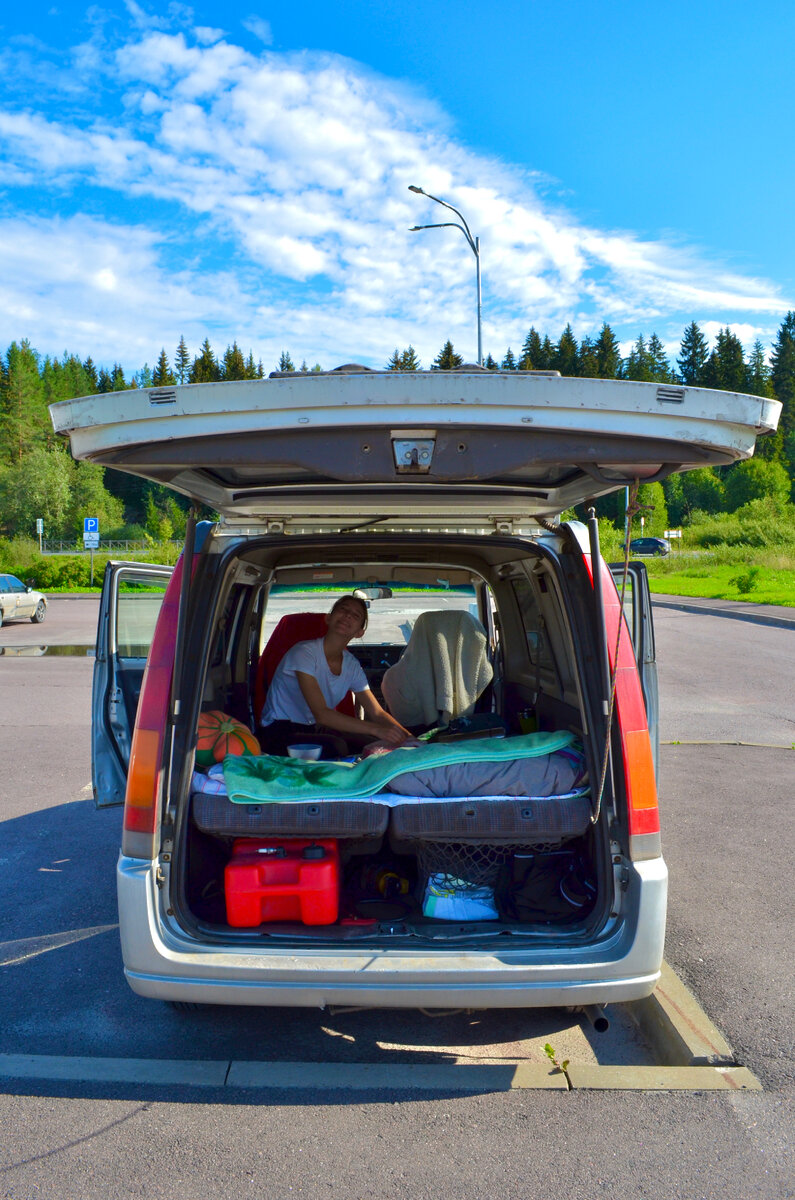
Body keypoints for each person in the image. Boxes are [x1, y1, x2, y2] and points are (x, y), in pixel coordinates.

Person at [259, 595, 411, 757]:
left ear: (360, 632)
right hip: (279, 731)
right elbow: (322, 714)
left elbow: (377, 713)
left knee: (374, 745)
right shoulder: (304, 652)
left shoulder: (351, 665)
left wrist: (410, 740)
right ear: (328, 619)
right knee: (337, 747)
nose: (348, 615)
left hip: (314, 729)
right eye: (343, 609)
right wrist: (376, 729)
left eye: (356, 615)